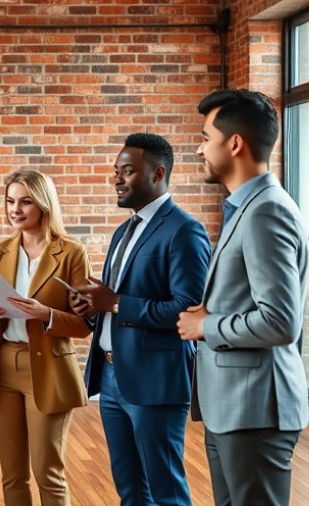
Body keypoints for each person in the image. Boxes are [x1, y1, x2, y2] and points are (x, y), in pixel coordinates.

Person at [177, 89, 309, 506]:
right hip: (231, 407)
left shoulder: (267, 211)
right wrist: (214, 310)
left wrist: (205, 325)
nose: (199, 149)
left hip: (256, 410)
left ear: (234, 144)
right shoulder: (246, 206)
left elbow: (280, 322)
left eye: (204, 138)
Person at [70, 133, 210, 505]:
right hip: (113, 376)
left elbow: (188, 309)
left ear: (158, 172)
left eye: (127, 171)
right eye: (116, 171)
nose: (117, 179)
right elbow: (115, 300)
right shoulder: (124, 230)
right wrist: (94, 305)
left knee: (165, 490)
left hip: (156, 380)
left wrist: (115, 303)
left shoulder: (184, 230)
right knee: (129, 489)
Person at [0, 170, 91, 506]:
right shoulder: (0, 252)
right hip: (3, 369)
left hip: (48, 370)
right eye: (10, 201)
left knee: (47, 471)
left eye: (25, 201)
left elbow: (85, 325)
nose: (15, 209)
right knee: (12, 475)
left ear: (43, 204)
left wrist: (47, 315)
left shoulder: (71, 253)